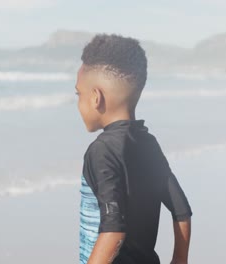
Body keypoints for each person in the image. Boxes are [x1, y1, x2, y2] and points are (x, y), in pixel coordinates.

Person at [76, 33, 193, 264]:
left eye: (79, 94)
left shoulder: (101, 151)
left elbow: (113, 230)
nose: (78, 103)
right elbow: (181, 209)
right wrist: (179, 259)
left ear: (96, 97)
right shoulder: (148, 143)